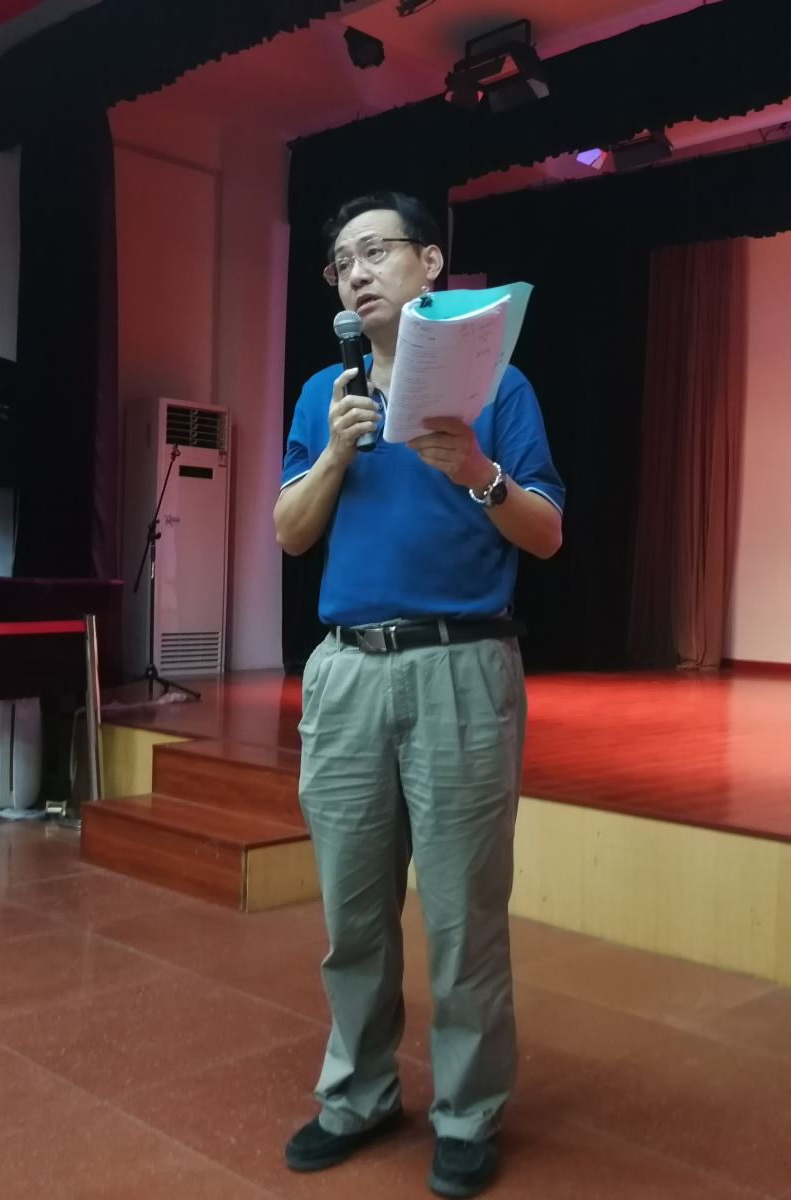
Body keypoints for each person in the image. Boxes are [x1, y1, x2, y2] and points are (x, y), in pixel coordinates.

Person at [274, 192, 564, 1198]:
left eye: (374, 252)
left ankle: (468, 1111)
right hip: (348, 670)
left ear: (429, 263)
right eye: (340, 261)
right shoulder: (326, 393)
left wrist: (476, 470)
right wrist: (336, 451)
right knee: (351, 912)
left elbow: (546, 533)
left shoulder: (500, 388)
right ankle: (357, 1095)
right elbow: (289, 533)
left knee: (462, 915)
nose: (356, 272)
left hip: (460, 666)